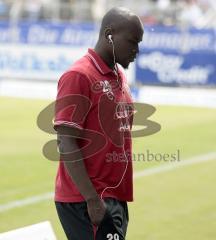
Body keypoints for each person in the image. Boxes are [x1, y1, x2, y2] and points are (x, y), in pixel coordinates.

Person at [54, 7, 143, 240]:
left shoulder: (118, 75)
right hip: (87, 200)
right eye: (133, 41)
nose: (137, 50)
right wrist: (93, 201)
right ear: (109, 34)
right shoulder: (79, 76)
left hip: (114, 197)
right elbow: (65, 143)